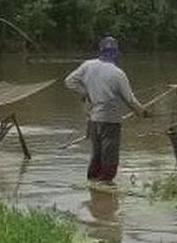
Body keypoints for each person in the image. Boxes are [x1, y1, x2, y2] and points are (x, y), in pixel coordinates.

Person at [64, 36, 149, 185]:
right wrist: (142, 112)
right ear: (116, 53)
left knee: (96, 154)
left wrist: (85, 94)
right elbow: (129, 99)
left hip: (93, 119)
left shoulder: (88, 65)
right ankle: (105, 186)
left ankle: (92, 184)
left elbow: (69, 81)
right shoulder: (118, 73)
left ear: (100, 51)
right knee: (109, 155)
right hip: (110, 120)